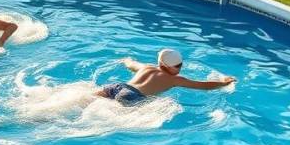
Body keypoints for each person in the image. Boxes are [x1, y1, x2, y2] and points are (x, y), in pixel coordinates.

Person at [96, 48, 235, 105]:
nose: (181, 68)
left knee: (91, 99)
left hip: (117, 86)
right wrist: (223, 83)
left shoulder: (147, 67)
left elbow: (131, 64)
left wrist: (125, 59)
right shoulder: (174, 79)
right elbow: (202, 85)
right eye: (178, 66)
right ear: (169, 67)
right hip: (133, 96)